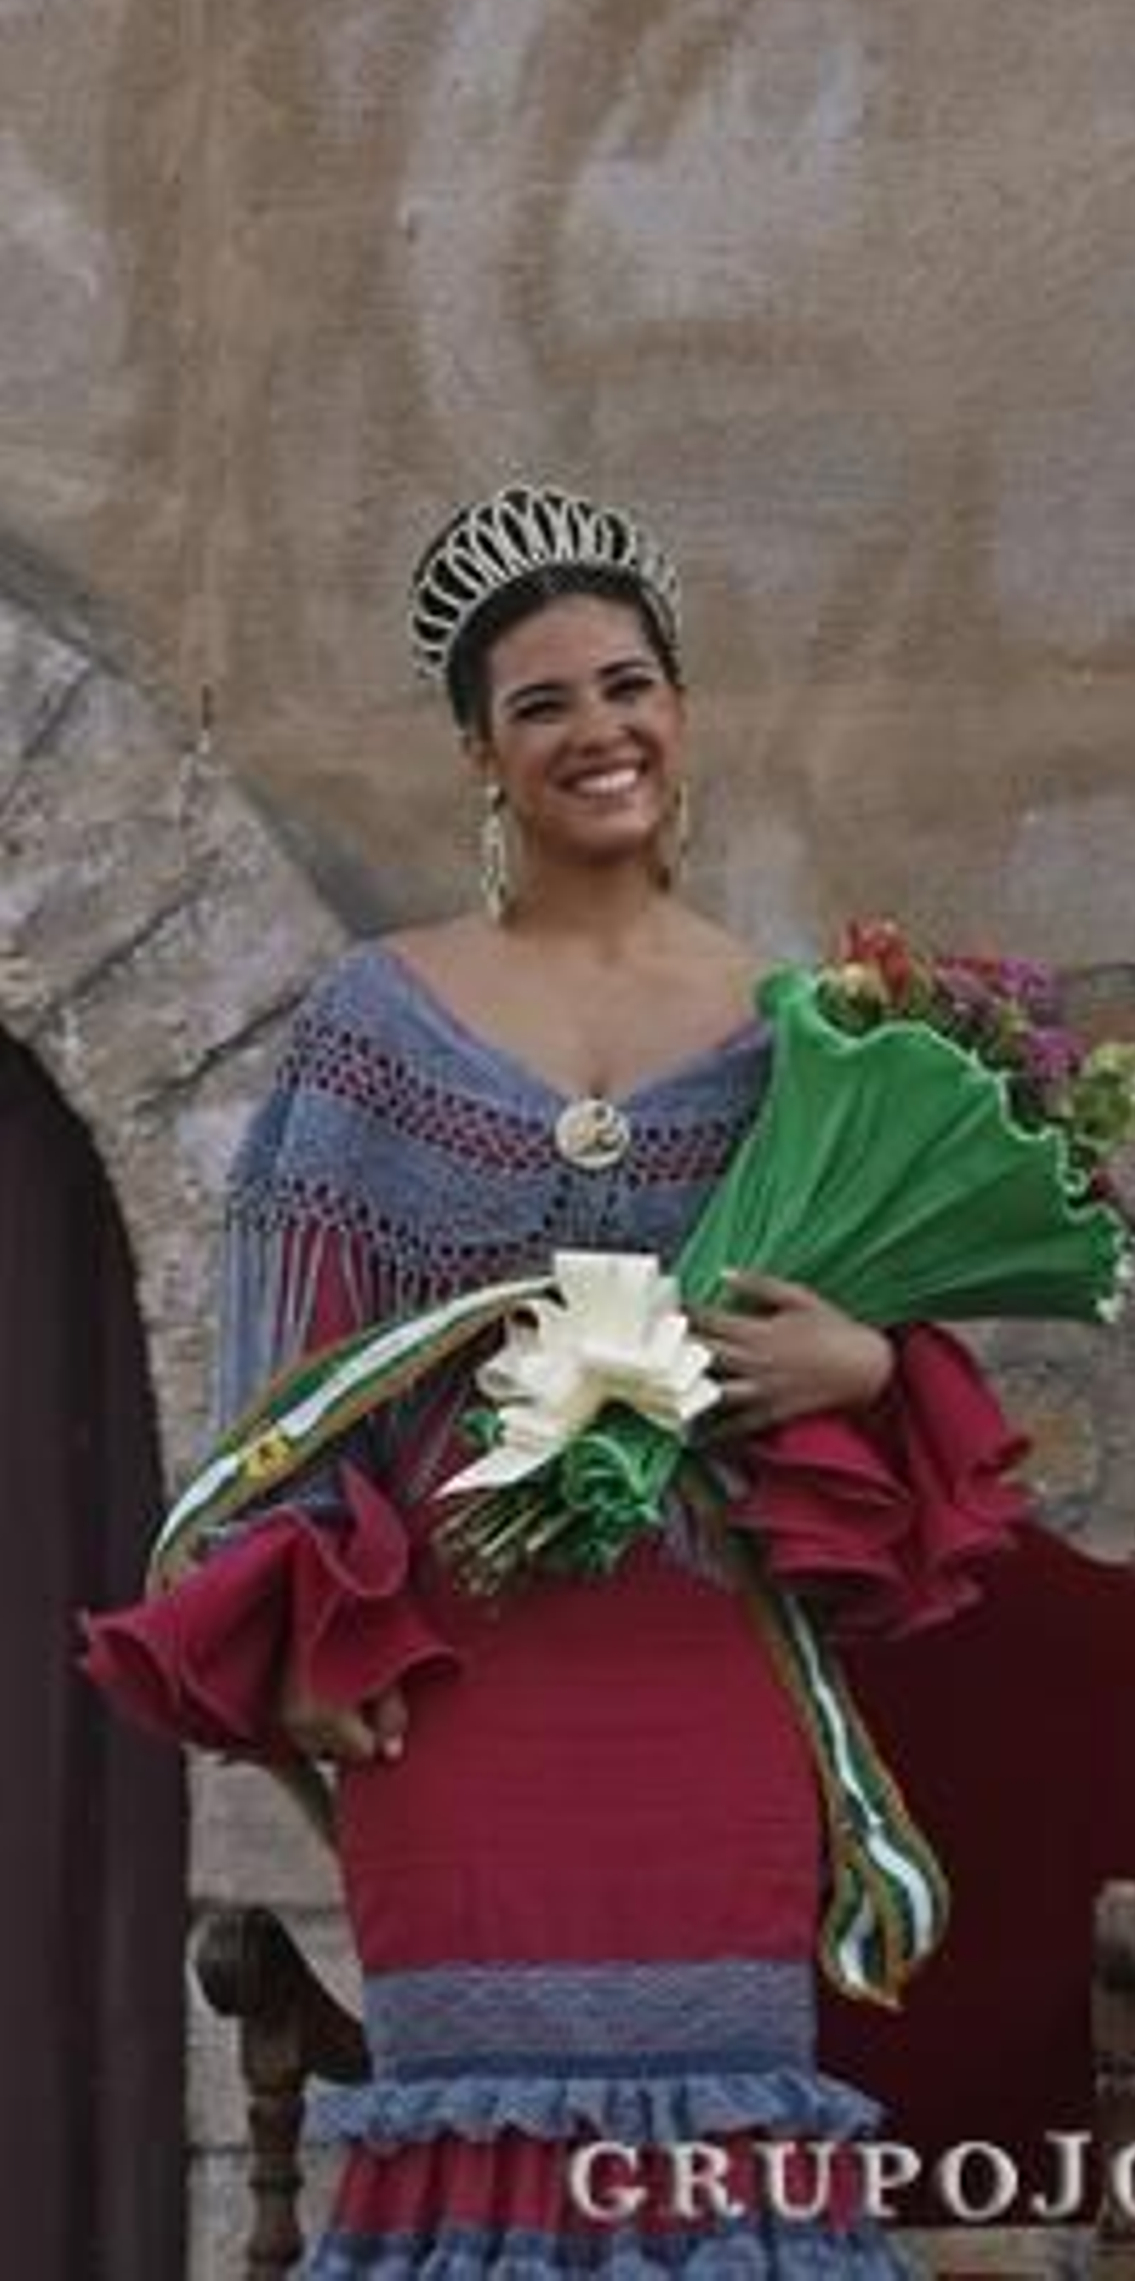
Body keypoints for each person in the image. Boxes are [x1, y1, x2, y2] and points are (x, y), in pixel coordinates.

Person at [84, 480, 1032, 2275]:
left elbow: (886, 1324)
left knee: (719, 2167)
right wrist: (299, 1647)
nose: (598, 729)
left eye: (627, 684)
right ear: (481, 754)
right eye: (543, 703)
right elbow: (281, 1380)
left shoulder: (808, 1027)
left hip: (710, 1678)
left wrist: (858, 1356)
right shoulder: (374, 1023)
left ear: (679, 712)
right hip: (458, 1701)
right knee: (477, 2162)